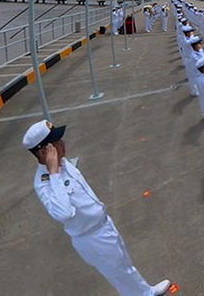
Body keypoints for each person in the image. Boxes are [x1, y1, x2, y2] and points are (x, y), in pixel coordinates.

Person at [24, 120, 172, 295]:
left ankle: (146, 291)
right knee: (120, 276)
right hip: (91, 238)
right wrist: (54, 173)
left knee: (125, 267)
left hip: (103, 225)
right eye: (56, 143)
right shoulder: (45, 183)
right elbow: (63, 213)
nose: (63, 143)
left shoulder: (64, 163)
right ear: (44, 152)